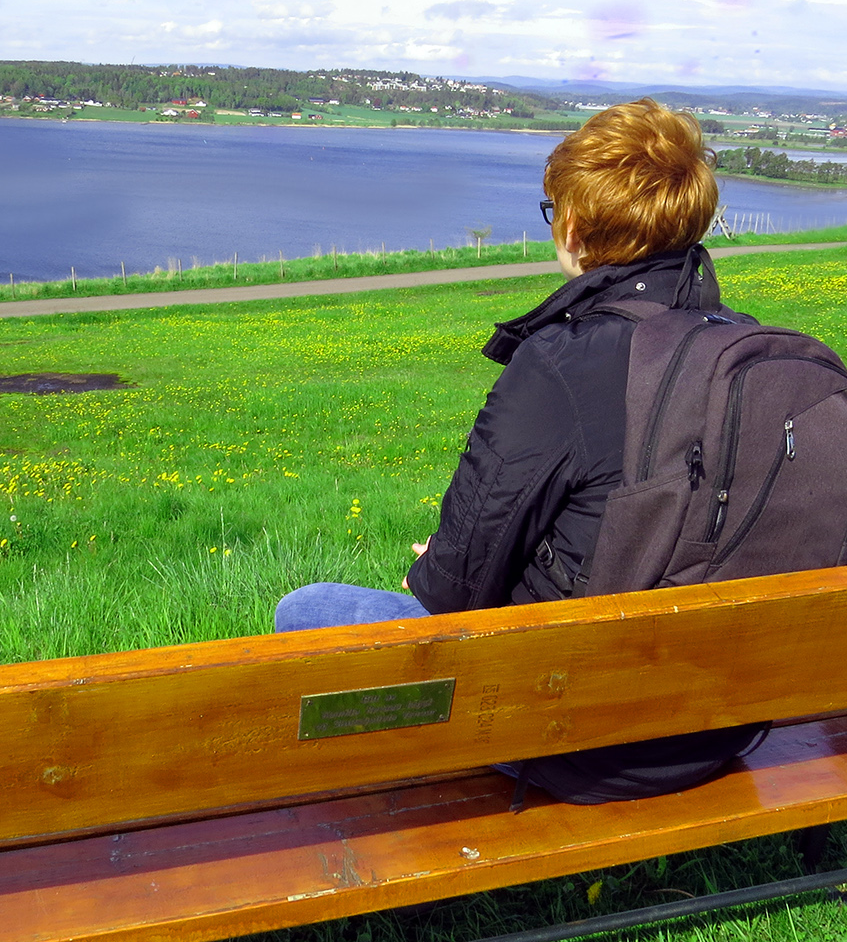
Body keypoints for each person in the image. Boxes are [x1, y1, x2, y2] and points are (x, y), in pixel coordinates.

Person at [274, 98, 765, 804]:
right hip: (719, 727)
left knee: (306, 609)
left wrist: (435, 567)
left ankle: (369, 798)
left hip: (576, 736)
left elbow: (449, 592)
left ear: (571, 225)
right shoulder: (743, 352)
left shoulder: (563, 365)